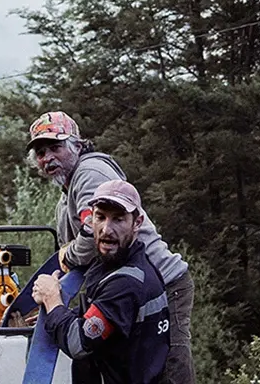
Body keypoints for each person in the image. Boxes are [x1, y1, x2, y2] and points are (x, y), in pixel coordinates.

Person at [27, 112, 195, 384]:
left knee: (170, 366)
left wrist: (66, 263)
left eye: (55, 147)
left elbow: (89, 237)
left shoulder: (89, 174)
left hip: (163, 284)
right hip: (122, 286)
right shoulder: (67, 192)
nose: (47, 158)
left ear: (77, 146)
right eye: (40, 152)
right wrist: (54, 303)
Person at [33, 179, 170, 384]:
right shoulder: (120, 265)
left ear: (137, 223)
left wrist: (52, 300)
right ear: (91, 220)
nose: (106, 229)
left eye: (118, 219)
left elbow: (78, 343)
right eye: (100, 217)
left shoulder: (125, 283)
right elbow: (105, 319)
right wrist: (59, 313)